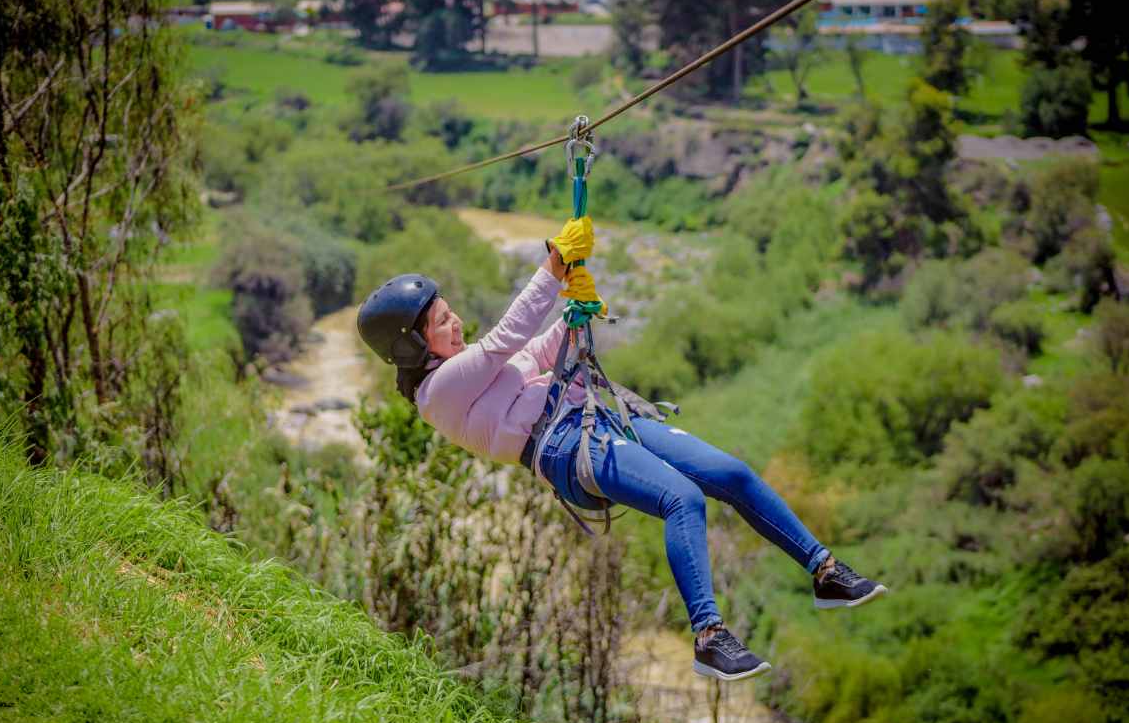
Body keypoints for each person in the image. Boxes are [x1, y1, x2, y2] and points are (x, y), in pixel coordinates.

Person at [356, 219, 888, 682]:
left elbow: (538, 352)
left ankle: (826, 573)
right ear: (413, 344)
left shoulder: (467, 363)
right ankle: (709, 637)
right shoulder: (439, 393)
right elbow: (506, 341)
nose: (457, 323)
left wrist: (574, 313)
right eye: (442, 321)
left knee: (732, 473)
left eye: (451, 312)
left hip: (595, 413)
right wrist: (554, 267)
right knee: (683, 498)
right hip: (563, 446)